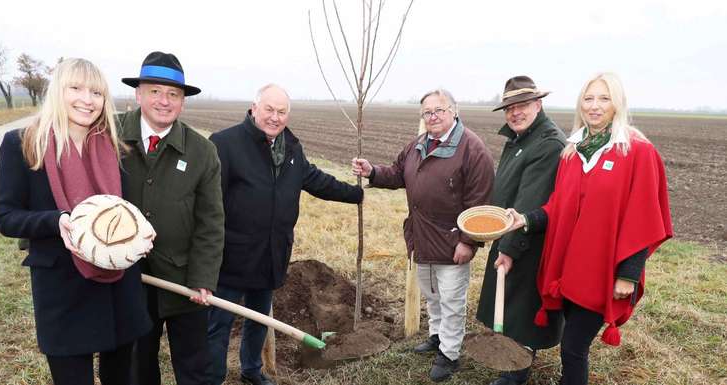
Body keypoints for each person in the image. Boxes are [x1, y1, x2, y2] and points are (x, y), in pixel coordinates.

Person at [506, 72, 673, 385]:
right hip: (570, 270)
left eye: (604, 98)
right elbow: (558, 206)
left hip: (603, 271)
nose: (594, 106)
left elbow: (644, 217)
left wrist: (628, 274)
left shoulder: (636, 151)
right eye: (588, 98)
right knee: (572, 344)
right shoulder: (572, 152)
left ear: (617, 103)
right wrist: (526, 219)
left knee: (572, 347)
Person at [0, 58, 152, 385]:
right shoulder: (23, 143)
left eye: (96, 92)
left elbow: (126, 211)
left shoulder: (116, 147)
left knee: (121, 377)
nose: (87, 99)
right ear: (57, 92)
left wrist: (140, 232)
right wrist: (57, 221)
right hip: (63, 289)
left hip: (119, 286)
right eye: (76, 88)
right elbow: (6, 217)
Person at [207, 84, 363, 385]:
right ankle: (211, 378)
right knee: (219, 323)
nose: (275, 117)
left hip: (272, 253)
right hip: (231, 255)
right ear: (254, 108)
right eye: (269, 109)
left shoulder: (291, 148)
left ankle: (251, 370)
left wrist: (355, 194)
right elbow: (208, 201)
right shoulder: (225, 144)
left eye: (281, 112)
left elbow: (316, 179)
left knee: (259, 319)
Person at [352, 88, 495, 382]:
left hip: (453, 241)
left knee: (452, 299)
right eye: (427, 112)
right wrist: (372, 172)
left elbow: (479, 201)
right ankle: (436, 336)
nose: (432, 117)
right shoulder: (419, 144)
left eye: (439, 110)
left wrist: (468, 242)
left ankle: (450, 353)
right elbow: (397, 173)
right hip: (421, 236)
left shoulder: (472, 149)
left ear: (454, 111)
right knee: (432, 295)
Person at [119, 51, 225, 385]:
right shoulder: (109, 134)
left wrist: (203, 278)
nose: (164, 101)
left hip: (183, 281)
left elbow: (211, 221)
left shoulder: (201, 151)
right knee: (137, 364)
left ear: (183, 101)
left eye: (173, 94)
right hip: (127, 278)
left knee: (194, 367)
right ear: (138, 94)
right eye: (155, 91)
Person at [475, 76, 566, 385]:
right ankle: (512, 365)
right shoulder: (521, 138)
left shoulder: (547, 144)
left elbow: (531, 200)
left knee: (521, 309)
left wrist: (509, 250)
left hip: (528, 241)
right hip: (510, 234)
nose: (515, 113)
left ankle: (515, 373)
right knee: (513, 305)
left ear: (538, 105)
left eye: (523, 105)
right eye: (509, 107)